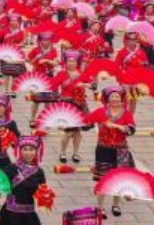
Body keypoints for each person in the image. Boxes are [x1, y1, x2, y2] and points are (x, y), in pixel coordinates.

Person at [86, 86, 136, 219]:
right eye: (112, 97)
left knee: (118, 179)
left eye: (117, 97)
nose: (115, 99)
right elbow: (87, 123)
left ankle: (116, 204)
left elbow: (131, 130)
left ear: (121, 100)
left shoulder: (126, 114)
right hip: (103, 149)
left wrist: (116, 126)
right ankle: (100, 207)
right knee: (102, 179)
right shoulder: (100, 112)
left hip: (121, 151)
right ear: (107, 100)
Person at [51, 50, 89, 164]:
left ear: (77, 62)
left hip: (79, 104)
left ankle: (76, 153)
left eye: (73, 61)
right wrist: (57, 99)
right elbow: (53, 86)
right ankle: (62, 152)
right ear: (65, 62)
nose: (71, 63)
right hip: (67, 106)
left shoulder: (82, 74)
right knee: (68, 131)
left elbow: (91, 84)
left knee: (77, 131)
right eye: (69, 61)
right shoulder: (61, 74)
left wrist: (86, 84)